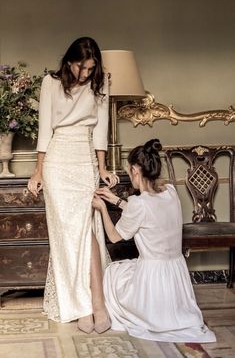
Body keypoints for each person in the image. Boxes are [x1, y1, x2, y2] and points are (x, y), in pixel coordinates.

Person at [28, 37, 119, 334]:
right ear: (69, 61)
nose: (86, 74)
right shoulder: (50, 83)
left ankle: (98, 303)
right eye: (82, 67)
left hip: (84, 161)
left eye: (91, 69)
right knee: (66, 236)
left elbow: (101, 127)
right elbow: (45, 129)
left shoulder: (100, 83)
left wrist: (103, 166)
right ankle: (80, 304)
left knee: (87, 229)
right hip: (56, 161)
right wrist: (38, 171)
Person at [92, 138, 216, 342]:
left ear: (135, 170)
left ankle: (146, 313)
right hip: (176, 274)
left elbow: (114, 237)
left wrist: (103, 209)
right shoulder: (170, 192)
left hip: (151, 280)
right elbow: (150, 214)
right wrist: (117, 201)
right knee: (125, 269)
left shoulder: (137, 204)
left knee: (113, 273)